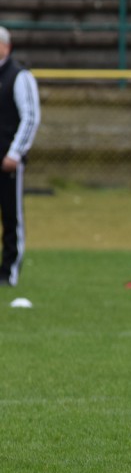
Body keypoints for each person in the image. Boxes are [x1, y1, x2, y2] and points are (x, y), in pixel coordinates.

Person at [0, 27, 40, 287]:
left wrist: (15, 153)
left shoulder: (20, 77)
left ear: (6, 47)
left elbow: (31, 117)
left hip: (7, 162)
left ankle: (8, 271)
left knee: (11, 217)